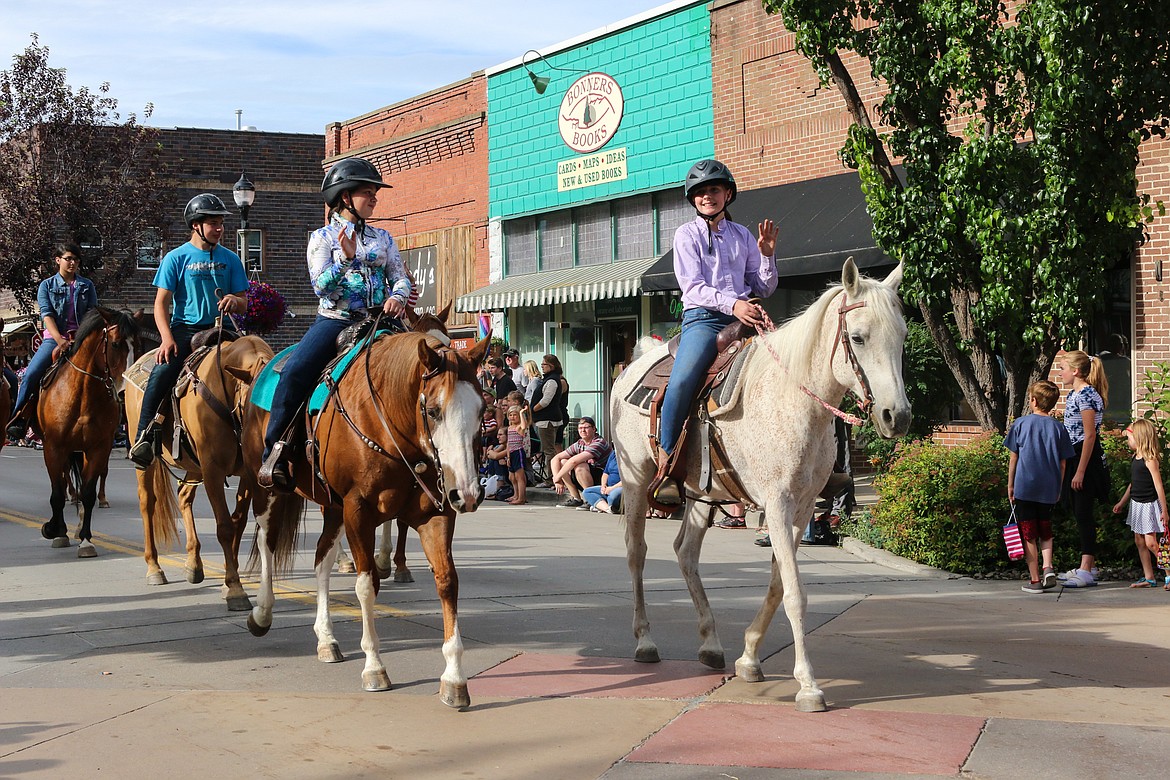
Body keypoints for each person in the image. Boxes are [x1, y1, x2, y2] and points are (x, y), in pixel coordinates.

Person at [259, 158, 412, 490]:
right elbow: (321, 288)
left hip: (380, 321)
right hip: (336, 320)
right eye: (367, 193)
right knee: (295, 371)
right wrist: (343, 259)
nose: (374, 199)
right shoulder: (322, 238)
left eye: (374, 194)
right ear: (345, 197)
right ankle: (275, 452)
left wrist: (398, 297)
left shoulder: (383, 238)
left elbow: (400, 277)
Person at [651, 160, 777, 507]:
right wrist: (733, 305)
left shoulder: (743, 236)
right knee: (682, 379)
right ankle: (668, 464)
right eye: (702, 192)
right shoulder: (686, 235)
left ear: (728, 194)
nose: (708, 196)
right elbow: (693, 287)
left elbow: (763, 287)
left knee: (788, 365)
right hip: (703, 319)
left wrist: (767, 255)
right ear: (693, 199)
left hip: (744, 317)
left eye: (714, 190)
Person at [129, 195, 248, 468]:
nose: (219, 229)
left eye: (221, 224)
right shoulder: (176, 258)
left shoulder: (230, 259)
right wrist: (167, 339)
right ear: (196, 225)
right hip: (186, 330)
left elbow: (243, 302)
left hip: (224, 329)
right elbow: (160, 303)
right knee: (162, 372)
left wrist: (235, 301)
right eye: (213, 223)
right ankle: (143, 437)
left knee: (257, 365)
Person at [7, 243, 98, 440]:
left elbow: (93, 314)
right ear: (58, 260)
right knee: (31, 374)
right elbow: (47, 315)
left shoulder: (87, 285)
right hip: (54, 339)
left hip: (82, 339)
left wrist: (83, 337)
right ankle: (19, 418)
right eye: (68, 258)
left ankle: (112, 420)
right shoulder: (46, 286)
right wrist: (59, 339)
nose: (72, 263)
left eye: (75, 259)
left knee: (105, 370)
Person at [1005, 380, 1076, 594]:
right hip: (1049, 489)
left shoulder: (1020, 424)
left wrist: (1010, 485)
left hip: (1025, 487)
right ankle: (1048, 567)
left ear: (1034, 401)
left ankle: (1035, 579)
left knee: (1028, 534)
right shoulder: (1059, 428)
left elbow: (1013, 457)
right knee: (1045, 530)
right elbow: (1064, 463)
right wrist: (1058, 487)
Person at [1056, 350, 1111, 587]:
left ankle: (1086, 569)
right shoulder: (1074, 394)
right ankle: (1087, 565)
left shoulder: (1086, 396)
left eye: (1063, 368)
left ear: (1076, 371)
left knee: (1083, 513)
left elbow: (1090, 436)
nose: (1061, 373)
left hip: (1085, 458)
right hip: (1074, 455)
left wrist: (1080, 471)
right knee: (1077, 511)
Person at [1112, 419, 1168, 589]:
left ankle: (1168, 573)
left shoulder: (1150, 460)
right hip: (1136, 505)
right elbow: (1133, 484)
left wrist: (1164, 510)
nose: (1128, 442)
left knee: (1151, 543)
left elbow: (1158, 485)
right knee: (1139, 541)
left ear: (1140, 438)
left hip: (1149, 505)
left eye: (1130, 438)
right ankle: (1149, 577)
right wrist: (1122, 502)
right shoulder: (1135, 458)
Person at [551, 417, 611, 509]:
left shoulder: (599, 442)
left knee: (580, 466)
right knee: (563, 462)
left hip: (605, 479)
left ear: (594, 429)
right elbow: (555, 458)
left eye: (586, 427)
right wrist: (557, 481)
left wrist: (557, 477)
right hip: (588, 476)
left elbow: (574, 461)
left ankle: (590, 500)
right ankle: (576, 498)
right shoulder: (580, 443)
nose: (583, 430)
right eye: (580, 428)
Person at [531, 354, 567, 479]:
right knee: (549, 450)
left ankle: (552, 478)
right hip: (545, 419)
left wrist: (533, 409)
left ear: (551, 366)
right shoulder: (549, 379)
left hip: (547, 420)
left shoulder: (552, 381)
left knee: (549, 451)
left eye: (544, 364)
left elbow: (546, 401)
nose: (542, 366)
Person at [503, 404, 530, 505]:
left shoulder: (519, 427)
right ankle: (516, 494)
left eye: (515, 415)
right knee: (512, 477)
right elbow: (508, 443)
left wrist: (522, 413)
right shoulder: (510, 427)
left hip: (518, 452)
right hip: (512, 453)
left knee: (520, 477)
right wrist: (508, 456)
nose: (512, 417)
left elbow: (524, 426)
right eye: (510, 415)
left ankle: (521, 497)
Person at [582, 448, 623, 513]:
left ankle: (600, 505)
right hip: (608, 487)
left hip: (620, 487)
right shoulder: (613, 454)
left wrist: (612, 488)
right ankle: (607, 509)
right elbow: (605, 473)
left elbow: (628, 479)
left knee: (613, 497)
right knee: (587, 492)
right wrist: (603, 486)